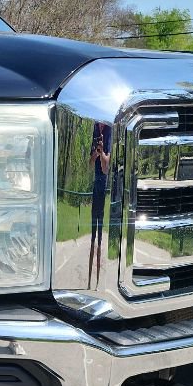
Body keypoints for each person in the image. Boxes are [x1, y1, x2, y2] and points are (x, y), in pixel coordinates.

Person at [87, 120, 111, 289]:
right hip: (95, 188)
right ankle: (89, 278)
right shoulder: (94, 130)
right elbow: (90, 165)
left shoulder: (111, 131)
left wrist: (102, 154)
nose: (100, 123)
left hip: (105, 188)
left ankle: (99, 279)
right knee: (92, 234)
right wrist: (95, 154)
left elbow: (106, 168)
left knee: (102, 234)